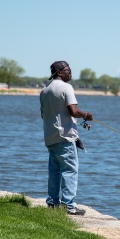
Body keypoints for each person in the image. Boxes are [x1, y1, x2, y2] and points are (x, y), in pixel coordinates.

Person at [40, 61, 93, 215]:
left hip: (50, 137)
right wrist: (85, 115)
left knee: (54, 171)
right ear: (59, 73)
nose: (70, 73)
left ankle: (52, 203)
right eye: (68, 70)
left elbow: (44, 115)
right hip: (65, 137)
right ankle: (69, 206)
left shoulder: (44, 90)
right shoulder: (66, 87)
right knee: (70, 170)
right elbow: (73, 111)